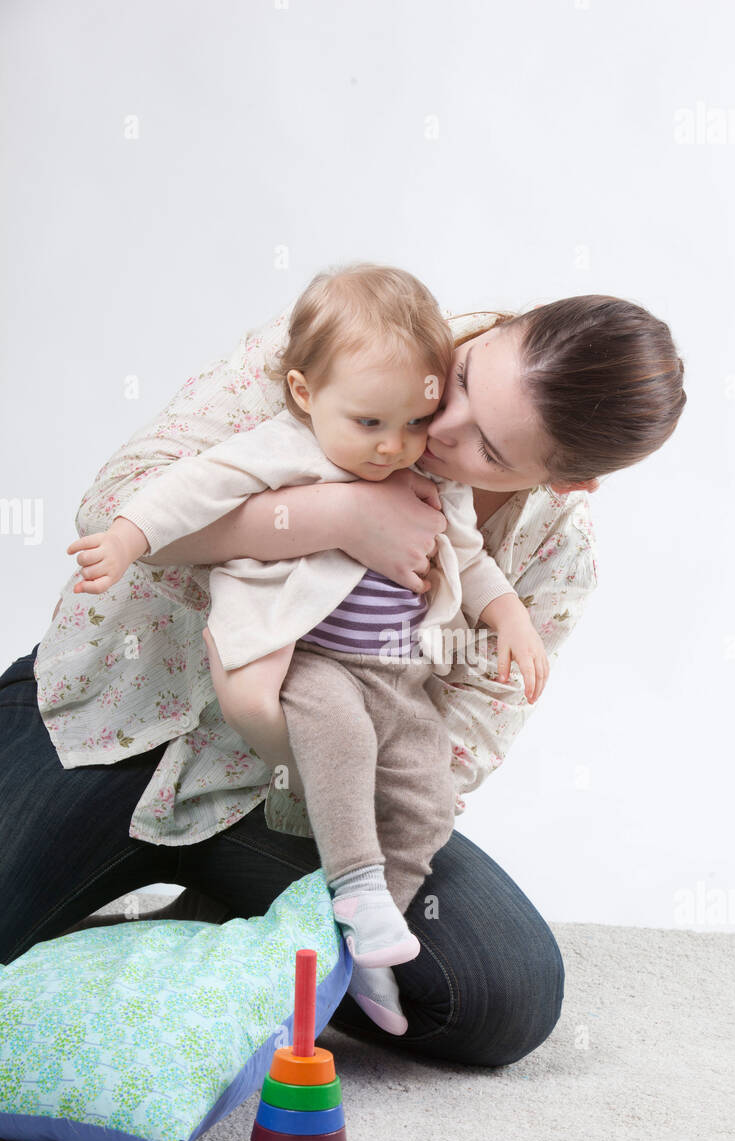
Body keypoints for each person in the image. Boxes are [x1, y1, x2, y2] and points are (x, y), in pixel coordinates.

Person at [0, 290, 685, 1067]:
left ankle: (230, 933)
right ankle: (232, 952)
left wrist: (297, 750)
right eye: (459, 378)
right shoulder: (351, 342)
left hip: (313, 806)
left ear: (564, 483)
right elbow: (113, 509)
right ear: (496, 329)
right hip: (115, 724)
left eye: (490, 451)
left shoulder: (557, 553)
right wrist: (338, 516)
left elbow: (458, 745)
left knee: (503, 996)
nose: (439, 426)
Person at [63, 266, 549, 1036]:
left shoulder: (421, 465)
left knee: (424, 792)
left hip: (394, 679)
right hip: (303, 662)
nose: (396, 448)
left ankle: (366, 939)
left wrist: (510, 616)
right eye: (371, 426)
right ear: (302, 392)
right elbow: (191, 486)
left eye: (413, 426)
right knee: (340, 733)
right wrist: (127, 537)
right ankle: (354, 887)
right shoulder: (289, 447)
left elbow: (469, 555)